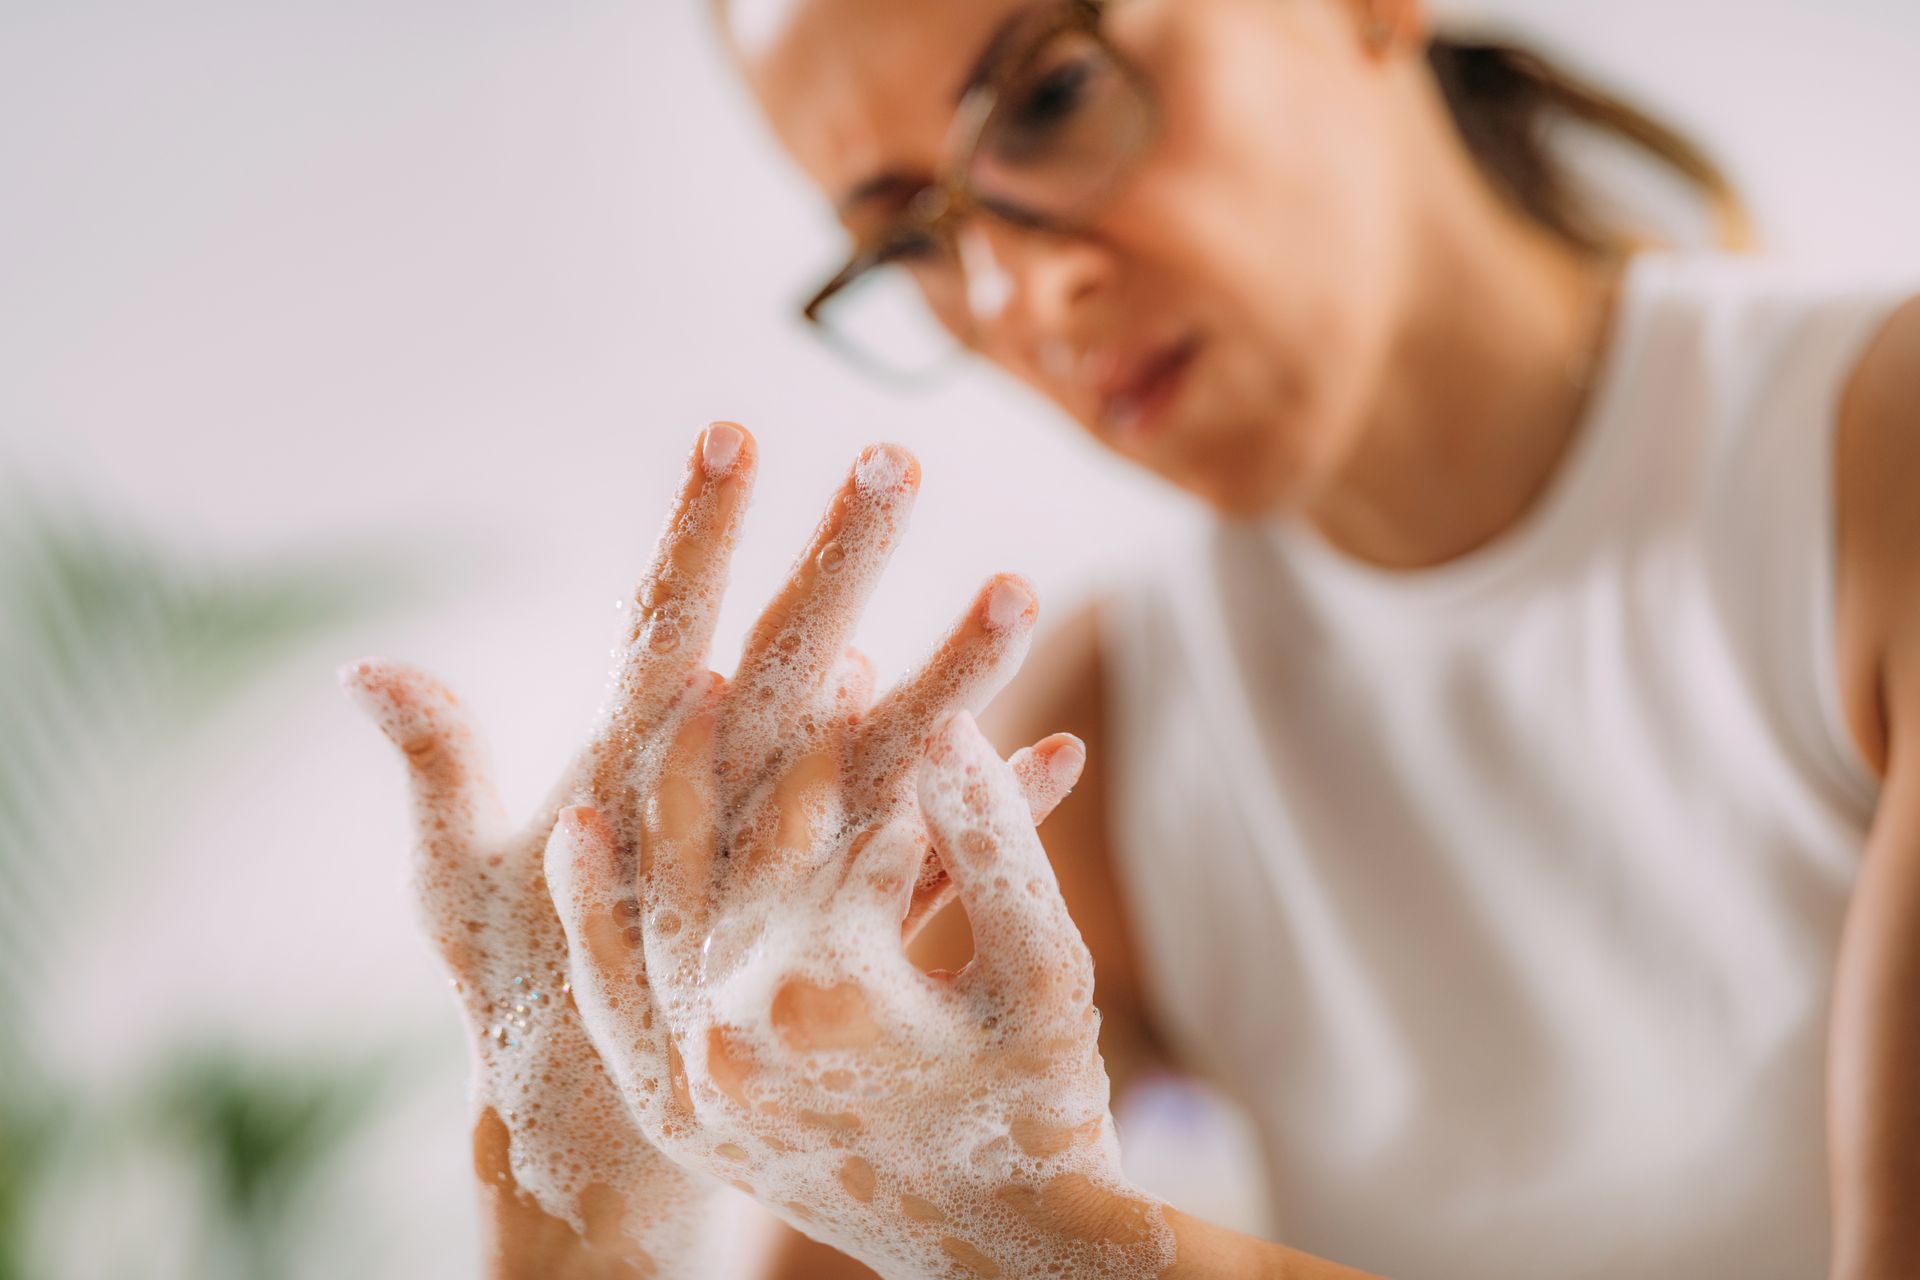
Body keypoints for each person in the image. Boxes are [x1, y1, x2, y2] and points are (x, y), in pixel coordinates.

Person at [345, 0, 1920, 1276]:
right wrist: (579, 1193)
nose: (1021, 286)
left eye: (1046, 96)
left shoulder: (1871, 462)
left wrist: (1084, 1253)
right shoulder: (1113, 727)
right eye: (908, 240)